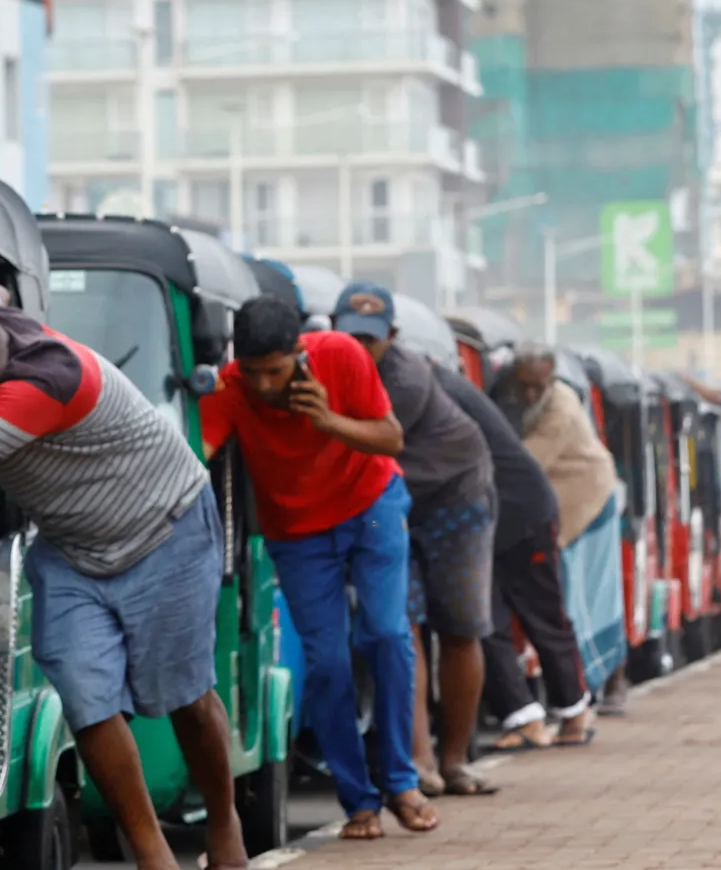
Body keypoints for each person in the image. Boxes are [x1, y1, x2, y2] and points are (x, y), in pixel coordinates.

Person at [0, 294, 259, 870]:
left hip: (167, 528)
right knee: (87, 699)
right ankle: (158, 869)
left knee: (187, 696)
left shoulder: (41, 384)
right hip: (74, 546)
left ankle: (225, 834)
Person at [202, 294, 438, 840]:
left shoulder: (341, 354)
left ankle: (401, 781)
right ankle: (359, 801)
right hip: (297, 533)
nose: (264, 385)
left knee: (385, 632)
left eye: (276, 372)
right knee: (326, 662)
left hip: (373, 510)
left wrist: (326, 418)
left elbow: (391, 436)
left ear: (299, 354)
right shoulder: (230, 385)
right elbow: (201, 452)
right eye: (254, 372)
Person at [332, 284, 499, 799]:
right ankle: (418, 760)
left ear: (393, 337)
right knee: (398, 626)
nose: (360, 350)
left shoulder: (402, 379)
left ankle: (454, 760)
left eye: (371, 341)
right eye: (349, 338)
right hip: (388, 501)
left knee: (460, 626)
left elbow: (355, 449)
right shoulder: (321, 365)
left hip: (455, 497)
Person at [485, 344, 620, 744]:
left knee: (553, 608)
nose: (530, 394)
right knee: (532, 612)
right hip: (522, 512)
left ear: (552, 377)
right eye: (524, 385)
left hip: (578, 500)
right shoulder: (502, 391)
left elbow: (518, 464)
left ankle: (578, 706)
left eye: (538, 386)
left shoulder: (559, 407)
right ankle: (552, 713)